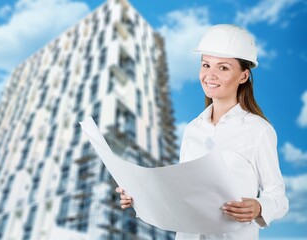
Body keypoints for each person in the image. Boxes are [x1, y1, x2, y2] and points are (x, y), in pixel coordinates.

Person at [115, 24, 289, 239]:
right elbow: (183, 196)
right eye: (206, 65)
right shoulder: (193, 129)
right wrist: (140, 197)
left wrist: (259, 207)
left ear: (243, 76)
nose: (210, 75)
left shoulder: (258, 130)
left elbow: (279, 198)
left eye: (223, 68)